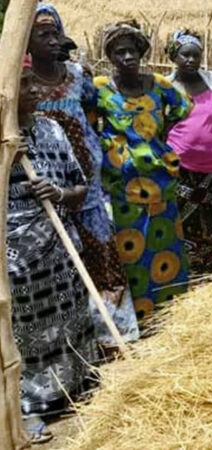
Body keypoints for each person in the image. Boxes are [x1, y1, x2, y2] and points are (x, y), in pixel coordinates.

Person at [27, 4, 140, 350]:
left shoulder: (78, 75)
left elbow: (95, 117)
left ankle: (115, 340)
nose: (51, 39)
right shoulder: (21, 84)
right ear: (26, 42)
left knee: (103, 261)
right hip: (43, 192)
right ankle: (73, 346)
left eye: (54, 32)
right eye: (41, 34)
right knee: (58, 270)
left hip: (87, 189)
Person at [11, 67, 96, 444]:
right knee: (24, 334)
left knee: (71, 320)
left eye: (31, 82)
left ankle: (73, 391)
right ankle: (25, 408)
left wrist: (59, 194)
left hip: (61, 248)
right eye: (21, 83)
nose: (32, 89)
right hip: (16, 260)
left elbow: (79, 186)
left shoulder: (51, 128)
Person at [94, 21, 192, 323]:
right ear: (110, 57)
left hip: (160, 183)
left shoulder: (160, 85)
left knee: (166, 248)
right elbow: (88, 123)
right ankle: (140, 320)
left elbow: (182, 109)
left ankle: (171, 315)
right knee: (132, 254)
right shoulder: (100, 89)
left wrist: (152, 143)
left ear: (142, 53)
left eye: (133, 50)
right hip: (123, 187)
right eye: (120, 52)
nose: (127, 57)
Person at [165, 30, 212, 276]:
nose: (191, 60)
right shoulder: (166, 88)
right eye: (185, 55)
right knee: (183, 222)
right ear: (174, 57)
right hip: (181, 170)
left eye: (196, 55)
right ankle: (188, 276)